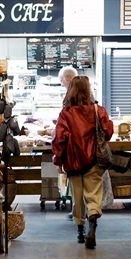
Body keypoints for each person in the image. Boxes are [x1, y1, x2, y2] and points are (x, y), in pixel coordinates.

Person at [51, 76, 114, 249]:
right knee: (93, 194)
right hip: (94, 159)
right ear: (88, 89)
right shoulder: (98, 110)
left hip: (73, 161)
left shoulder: (65, 113)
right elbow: (108, 133)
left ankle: (80, 230)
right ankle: (92, 222)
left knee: (77, 197)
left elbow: (59, 140)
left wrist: (58, 161)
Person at [58, 65, 78, 220]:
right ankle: (91, 215)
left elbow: (61, 135)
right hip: (92, 156)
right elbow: (107, 130)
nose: (61, 84)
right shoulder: (95, 105)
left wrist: (58, 160)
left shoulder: (68, 106)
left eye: (61, 80)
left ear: (69, 78)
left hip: (74, 154)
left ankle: (80, 221)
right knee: (90, 190)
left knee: (77, 187)